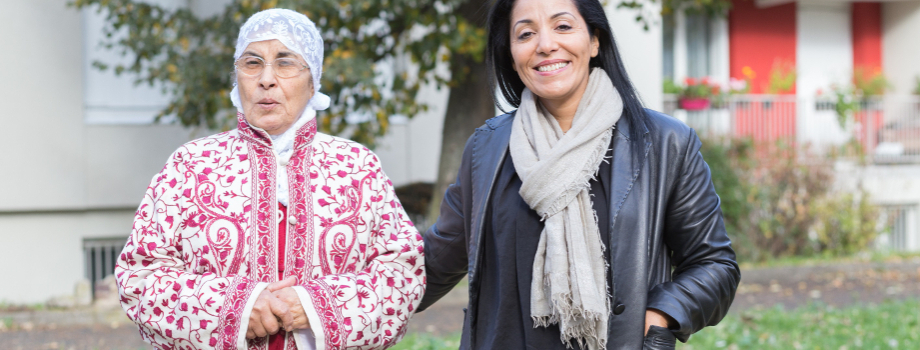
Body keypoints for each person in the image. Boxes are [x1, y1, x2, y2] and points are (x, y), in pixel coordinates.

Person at [418, 0, 740, 349]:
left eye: (563, 26)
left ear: (595, 40)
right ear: (511, 55)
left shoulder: (664, 143)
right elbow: (436, 261)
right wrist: (357, 291)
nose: (545, 44)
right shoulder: (487, 150)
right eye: (526, 34)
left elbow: (714, 264)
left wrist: (662, 315)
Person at [115, 9, 424, 350]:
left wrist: (311, 306)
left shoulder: (358, 167)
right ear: (237, 78)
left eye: (285, 62)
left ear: (312, 81)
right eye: (252, 63)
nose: (266, 79)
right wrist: (238, 307)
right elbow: (140, 277)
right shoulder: (189, 165)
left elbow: (402, 274)